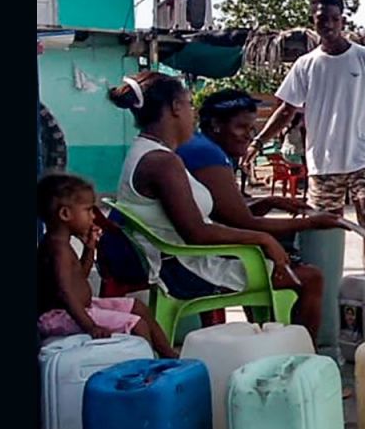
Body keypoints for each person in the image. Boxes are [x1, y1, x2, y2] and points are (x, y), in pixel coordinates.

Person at [108, 71, 325, 340]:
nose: (192, 115)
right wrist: (263, 238)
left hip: (174, 260)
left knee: (270, 259)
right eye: (189, 105)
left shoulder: (150, 151)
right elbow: (196, 233)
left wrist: (262, 219)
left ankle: (272, 343)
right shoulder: (162, 162)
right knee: (310, 277)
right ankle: (301, 356)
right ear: (175, 108)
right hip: (181, 271)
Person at [249, 0, 365, 272]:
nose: (329, 25)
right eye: (322, 19)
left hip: (363, 155)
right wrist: (258, 142)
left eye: (334, 19)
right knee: (323, 225)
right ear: (314, 20)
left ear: (343, 20)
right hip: (323, 160)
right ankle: (327, 281)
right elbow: (286, 110)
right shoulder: (305, 65)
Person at [37, 172, 178, 358]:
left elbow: (79, 277)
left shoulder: (61, 243)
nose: (93, 217)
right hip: (58, 317)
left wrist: (89, 248)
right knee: (136, 323)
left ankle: (169, 355)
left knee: (137, 306)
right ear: (65, 214)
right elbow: (65, 293)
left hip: (77, 309)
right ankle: (147, 367)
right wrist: (90, 326)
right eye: (88, 210)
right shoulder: (58, 249)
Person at [178, 89, 343, 238]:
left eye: (251, 129)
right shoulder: (207, 154)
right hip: (188, 258)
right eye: (241, 127)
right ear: (216, 125)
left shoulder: (200, 146)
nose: (248, 136)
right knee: (308, 271)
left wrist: (270, 202)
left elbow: (227, 213)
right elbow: (243, 223)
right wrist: (310, 223)